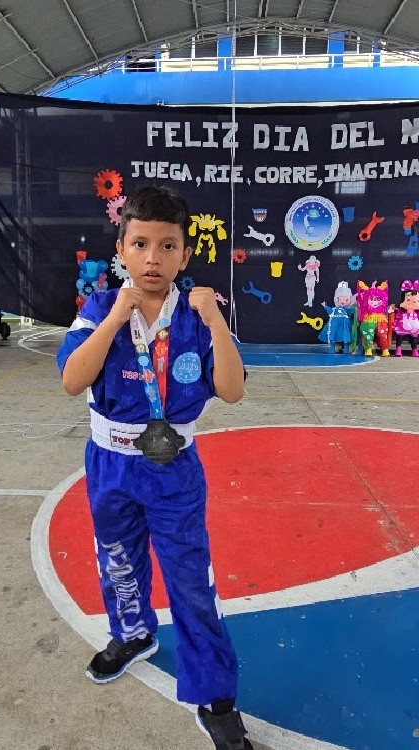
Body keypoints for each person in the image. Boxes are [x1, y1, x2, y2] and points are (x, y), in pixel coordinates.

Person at [56, 185, 253, 750]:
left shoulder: (195, 314)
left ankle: (215, 691)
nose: (152, 258)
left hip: (174, 470)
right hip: (110, 462)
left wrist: (216, 322)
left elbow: (232, 392)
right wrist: (115, 317)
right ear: (121, 249)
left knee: (191, 579)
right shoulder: (98, 309)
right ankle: (133, 634)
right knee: (118, 560)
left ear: (184, 255)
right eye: (140, 244)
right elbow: (73, 380)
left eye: (167, 246)